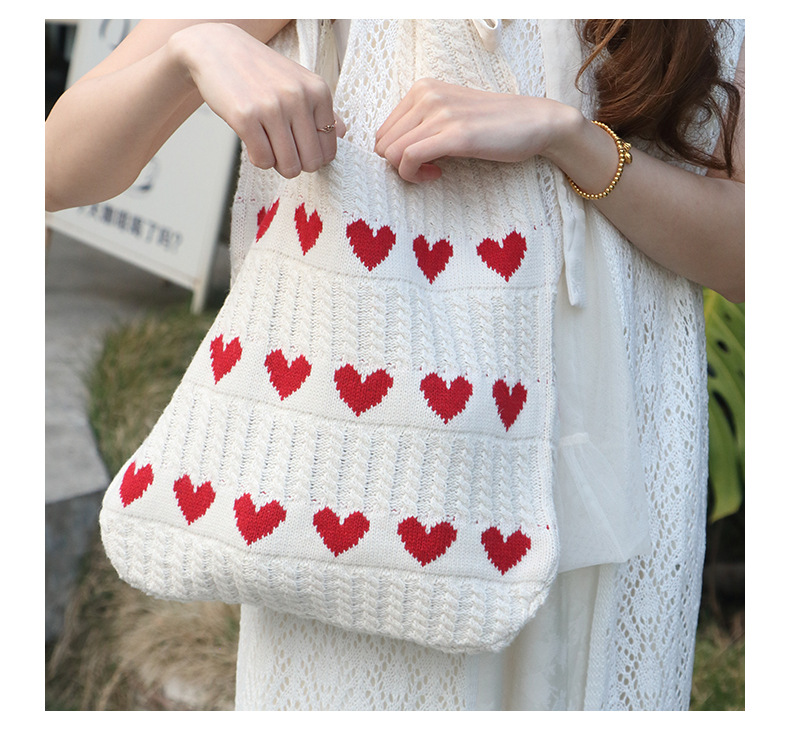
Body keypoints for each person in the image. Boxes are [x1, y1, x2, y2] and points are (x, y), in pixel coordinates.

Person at [45, 19, 745, 710]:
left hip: (623, 481)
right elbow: (54, 167)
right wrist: (191, 51)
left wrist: (569, 138)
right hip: (375, 481)